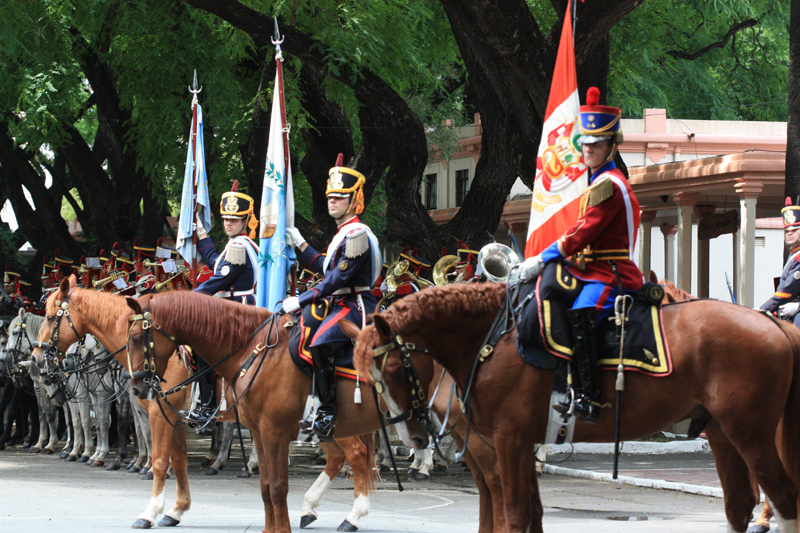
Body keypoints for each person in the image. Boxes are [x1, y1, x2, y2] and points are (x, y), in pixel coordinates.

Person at [518, 87, 643, 423]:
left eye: (596, 144)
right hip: (591, 269)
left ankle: (589, 396)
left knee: (583, 309)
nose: (588, 150)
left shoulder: (609, 185)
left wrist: (542, 258)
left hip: (611, 272)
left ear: (611, 146)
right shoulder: (597, 181)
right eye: (585, 143)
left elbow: (582, 233)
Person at [282, 156, 380, 441]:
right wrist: (300, 242)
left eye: (340, 197)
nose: (332, 201)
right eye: (330, 197)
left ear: (354, 201)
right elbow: (325, 265)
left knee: (319, 339)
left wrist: (301, 299)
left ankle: (327, 411)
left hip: (355, 305)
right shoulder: (343, 234)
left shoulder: (358, 234)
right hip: (339, 302)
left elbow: (337, 279)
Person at [188, 181, 259, 421]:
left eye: (234, 219)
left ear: (245, 221)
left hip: (238, 312)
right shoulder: (237, 244)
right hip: (231, 309)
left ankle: (207, 404)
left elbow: (217, 281)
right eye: (226, 218)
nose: (228, 223)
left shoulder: (239, 246)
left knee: (201, 345)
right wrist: (202, 233)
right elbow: (215, 263)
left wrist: (184, 300)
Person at [759, 197, 800, 325]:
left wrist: (763, 309)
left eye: (794, 230)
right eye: (787, 231)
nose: (790, 234)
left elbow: (786, 292)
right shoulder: (794, 254)